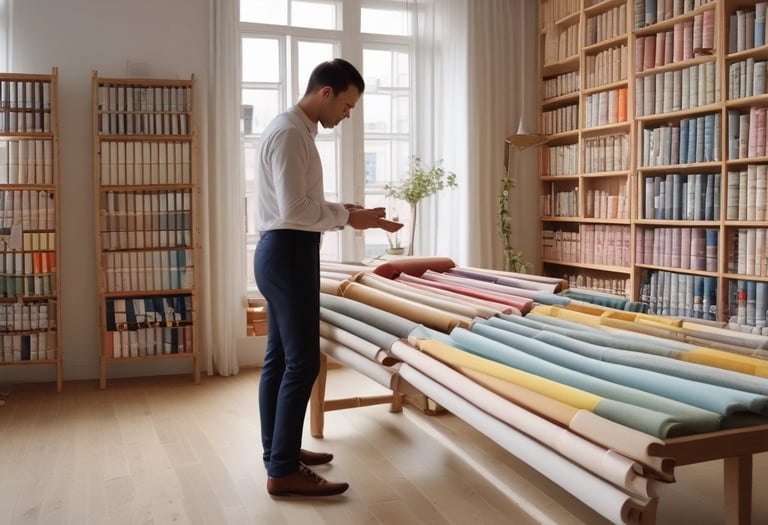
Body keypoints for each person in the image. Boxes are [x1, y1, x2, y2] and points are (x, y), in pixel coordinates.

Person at [253, 58, 402, 497]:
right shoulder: (288, 133)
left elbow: (298, 202)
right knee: (303, 362)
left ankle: (281, 454)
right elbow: (293, 211)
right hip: (288, 252)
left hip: (286, 251)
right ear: (326, 93)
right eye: (348, 105)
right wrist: (347, 219)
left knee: (279, 361)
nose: (347, 114)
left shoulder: (295, 130)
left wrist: (348, 213)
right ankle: (282, 468)